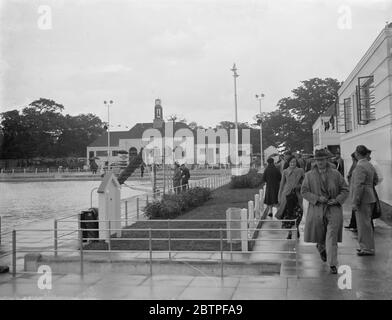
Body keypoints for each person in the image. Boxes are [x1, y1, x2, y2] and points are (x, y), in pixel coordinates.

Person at [301, 149, 349, 274]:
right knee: (320, 234)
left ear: (327, 160)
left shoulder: (336, 174)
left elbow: (345, 189)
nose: (320, 162)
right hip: (317, 209)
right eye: (317, 160)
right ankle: (321, 247)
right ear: (315, 161)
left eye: (322, 159)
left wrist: (337, 200)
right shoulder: (309, 175)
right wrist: (317, 198)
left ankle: (332, 263)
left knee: (331, 235)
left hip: (333, 209)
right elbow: (304, 191)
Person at [351, 145, 378, 256]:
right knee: (366, 224)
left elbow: (359, 185)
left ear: (357, 154)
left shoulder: (360, 167)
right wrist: (369, 188)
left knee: (363, 225)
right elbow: (375, 180)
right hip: (370, 196)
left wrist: (355, 200)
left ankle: (366, 248)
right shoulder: (369, 165)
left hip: (363, 199)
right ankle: (367, 246)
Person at [276, 156, 305, 239]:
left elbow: (305, 183)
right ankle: (289, 232)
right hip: (286, 195)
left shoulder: (300, 171)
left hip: (297, 195)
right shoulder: (285, 171)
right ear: (288, 163)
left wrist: (299, 186)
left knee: (299, 213)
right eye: (291, 162)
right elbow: (281, 185)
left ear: (296, 163)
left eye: (294, 162)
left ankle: (297, 228)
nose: (292, 164)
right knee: (288, 214)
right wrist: (279, 196)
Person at [344, 152, 358, 231]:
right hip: (353, 188)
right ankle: (352, 224)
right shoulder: (354, 165)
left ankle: (354, 225)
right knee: (353, 208)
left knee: (355, 208)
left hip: (355, 189)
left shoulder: (357, 166)